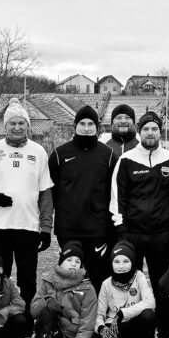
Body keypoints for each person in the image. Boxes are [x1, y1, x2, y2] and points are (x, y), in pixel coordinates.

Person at [0, 101, 54, 306]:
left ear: (28, 125)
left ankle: (25, 320)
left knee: (28, 279)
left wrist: (46, 228)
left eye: (21, 123)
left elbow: (45, 193)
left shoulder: (38, 152)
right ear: (5, 126)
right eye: (12, 123)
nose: (17, 127)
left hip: (28, 226)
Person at [110, 111, 169, 293]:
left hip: (162, 235)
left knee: (161, 284)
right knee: (130, 283)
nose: (150, 133)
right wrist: (122, 232)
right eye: (146, 129)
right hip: (133, 234)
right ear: (139, 131)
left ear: (160, 132)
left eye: (154, 129)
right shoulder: (126, 160)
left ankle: (160, 312)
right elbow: (117, 199)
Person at [48, 105, 118, 291]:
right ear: (75, 126)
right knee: (69, 277)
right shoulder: (59, 154)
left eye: (90, 124)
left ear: (97, 127)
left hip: (97, 230)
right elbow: (51, 191)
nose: (86, 128)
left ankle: (97, 310)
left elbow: (114, 193)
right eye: (82, 123)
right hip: (68, 229)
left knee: (97, 277)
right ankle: (67, 309)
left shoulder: (108, 155)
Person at [86, 240, 158, 338]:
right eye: (116, 261)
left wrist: (123, 313)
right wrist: (101, 328)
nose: (121, 266)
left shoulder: (139, 277)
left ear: (132, 262)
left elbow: (150, 302)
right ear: (111, 263)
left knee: (149, 315)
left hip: (133, 325)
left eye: (126, 261)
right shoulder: (106, 284)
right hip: (114, 327)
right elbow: (99, 314)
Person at [29, 241, 97, 338]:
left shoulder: (87, 288)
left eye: (77, 261)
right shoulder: (48, 281)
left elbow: (88, 322)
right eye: (69, 260)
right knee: (46, 312)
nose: (73, 264)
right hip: (51, 329)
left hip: (72, 335)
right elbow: (34, 311)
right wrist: (46, 301)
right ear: (61, 262)